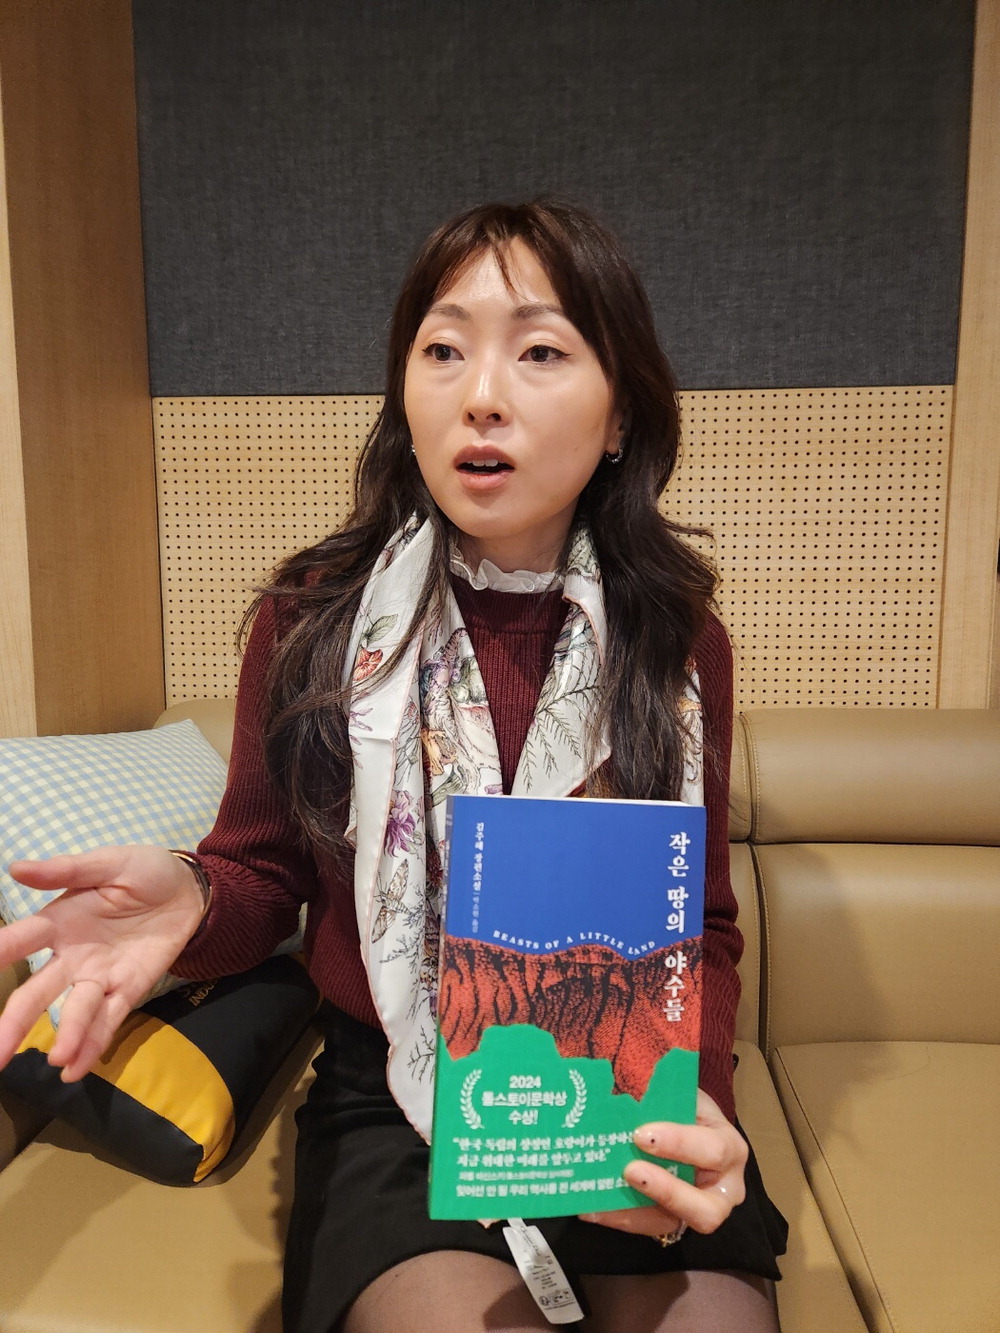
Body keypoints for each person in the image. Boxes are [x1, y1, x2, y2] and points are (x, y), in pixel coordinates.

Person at [0, 200, 786, 1332]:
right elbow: (262, 877)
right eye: (443, 349)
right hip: (399, 1088)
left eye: (541, 351)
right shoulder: (316, 618)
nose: (482, 394)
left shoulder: (675, 641)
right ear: (405, 395)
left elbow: (699, 927)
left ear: (620, 414)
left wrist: (692, 1104)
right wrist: (197, 897)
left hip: (619, 1084)